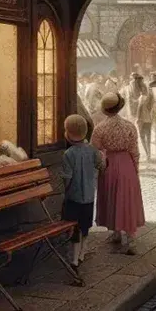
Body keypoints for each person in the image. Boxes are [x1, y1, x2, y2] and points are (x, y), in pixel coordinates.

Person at [92, 92, 145, 254]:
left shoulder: (100, 128)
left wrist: (100, 167)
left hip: (109, 164)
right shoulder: (129, 126)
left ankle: (115, 232)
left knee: (112, 197)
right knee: (127, 199)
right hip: (126, 163)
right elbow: (135, 151)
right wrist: (135, 168)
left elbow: (95, 150)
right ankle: (131, 240)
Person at [60, 114, 104, 267]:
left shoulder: (68, 154)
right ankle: (82, 253)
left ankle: (73, 258)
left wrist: (66, 191)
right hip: (89, 196)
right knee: (85, 225)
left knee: (73, 226)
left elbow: (67, 178)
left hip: (73, 197)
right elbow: (101, 164)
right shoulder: (92, 150)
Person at [135, 81, 155, 161]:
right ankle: (149, 154)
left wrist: (137, 118)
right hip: (149, 120)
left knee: (142, 137)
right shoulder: (150, 97)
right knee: (148, 137)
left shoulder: (142, 97)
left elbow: (139, 108)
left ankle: (147, 154)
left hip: (142, 120)